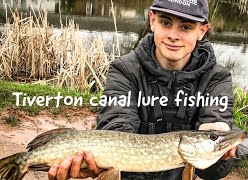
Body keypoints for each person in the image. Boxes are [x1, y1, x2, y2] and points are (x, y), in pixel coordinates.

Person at [48, 0, 237, 179]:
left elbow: (215, 126)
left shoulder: (216, 78)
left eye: (186, 27)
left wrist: (216, 133)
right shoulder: (124, 69)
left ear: (202, 31)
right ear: (153, 20)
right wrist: (101, 164)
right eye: (165, 22)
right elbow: (116, 124)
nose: (173, 35)